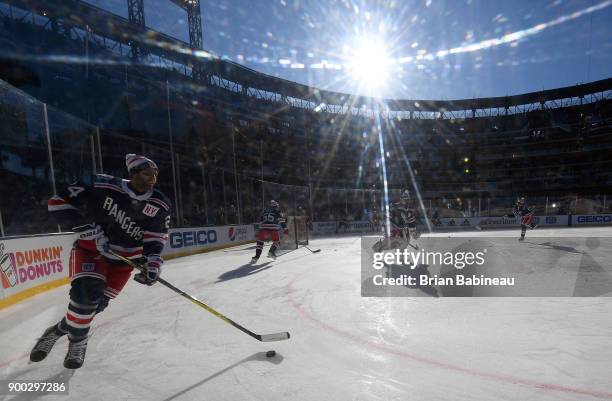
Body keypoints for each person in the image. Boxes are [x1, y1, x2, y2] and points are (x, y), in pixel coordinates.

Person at [29, 154, 171, 369]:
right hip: (91, 252)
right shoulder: (101, 184)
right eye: (147, 172)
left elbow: (155, 236)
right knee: (86, 299)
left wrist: (153, 262)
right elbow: (57, 202)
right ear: (133, 172)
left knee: (93, 308)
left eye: (155, 173)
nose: (153, 176)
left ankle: (57, 330)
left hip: (125, 263)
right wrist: (88, 231)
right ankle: (79, 341)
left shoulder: (159, 202)